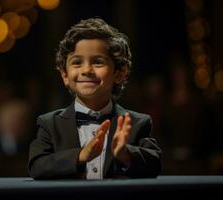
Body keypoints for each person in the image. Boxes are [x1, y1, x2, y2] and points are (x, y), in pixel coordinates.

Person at [28, 18, 162, 180]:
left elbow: (155, 164)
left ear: (119, 73)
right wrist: (81, 156)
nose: (86, 70)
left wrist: (124, 154)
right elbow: (37, 166)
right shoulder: (49, 123)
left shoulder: (137, 122)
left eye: (98, 62)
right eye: (77, 62)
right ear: (65, 75)